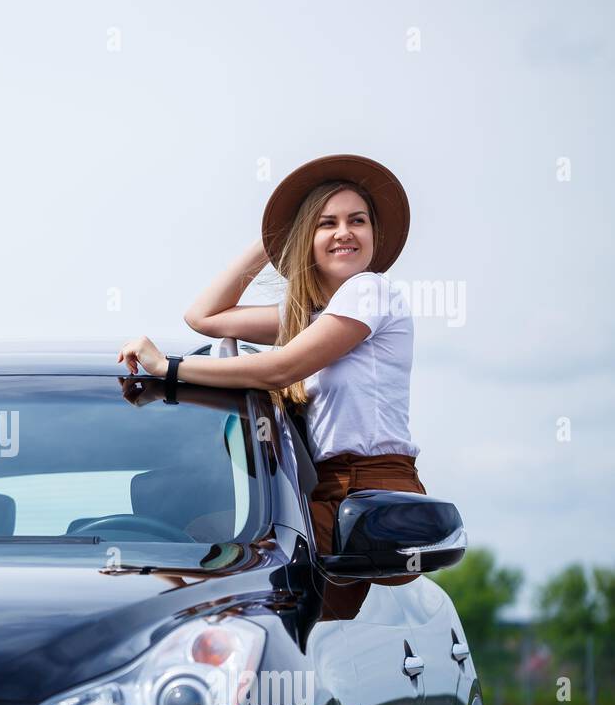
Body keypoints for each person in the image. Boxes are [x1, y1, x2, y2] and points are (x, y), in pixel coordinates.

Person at [116, 154, 427, 607]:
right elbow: (205, 317)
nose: (344, 232)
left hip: (370, 495)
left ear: (373, 236)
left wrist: (169, 369)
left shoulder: (371, 291)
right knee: (203, 546)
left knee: (241, 580)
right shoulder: (308, 318)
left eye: (357, 221)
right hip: (320, 494)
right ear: (307, 239)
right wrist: (275, 234)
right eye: (326, 223)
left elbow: (281, 369)